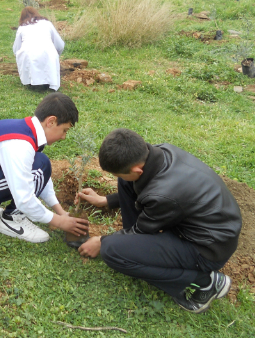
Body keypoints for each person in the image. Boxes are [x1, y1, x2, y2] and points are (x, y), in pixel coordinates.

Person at [77, 129, 242, 313]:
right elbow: (134, 185)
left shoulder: (162, 195)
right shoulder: (160, 152)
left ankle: (206, 283)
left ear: (137, 169)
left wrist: (101, 241)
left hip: (207, 249)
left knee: (111, 251)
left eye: (119, 174)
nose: (118, 178)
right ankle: (133, 247)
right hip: (207, 225)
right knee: (127, 182)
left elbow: (143, 229)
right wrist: (105, 201)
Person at [0, 93, 89, 243]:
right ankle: (12, 220)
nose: (64, 137)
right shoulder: (21, 145)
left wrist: (60, 211)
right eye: (64, 130)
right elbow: (24, 198)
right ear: (51, 122)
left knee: (40, 165)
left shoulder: (29, 130)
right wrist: (58, 221)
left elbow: (41, 177)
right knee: (40, 165)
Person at [13, 7, 64, 92]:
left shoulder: (22, 27)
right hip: (48, 53)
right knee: (48, 58)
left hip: (28, 55)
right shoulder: (47, 24)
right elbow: (60, 45)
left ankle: (32, 82)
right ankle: (48, 82)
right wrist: (56, 56)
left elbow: (16, 49)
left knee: (28, 58)